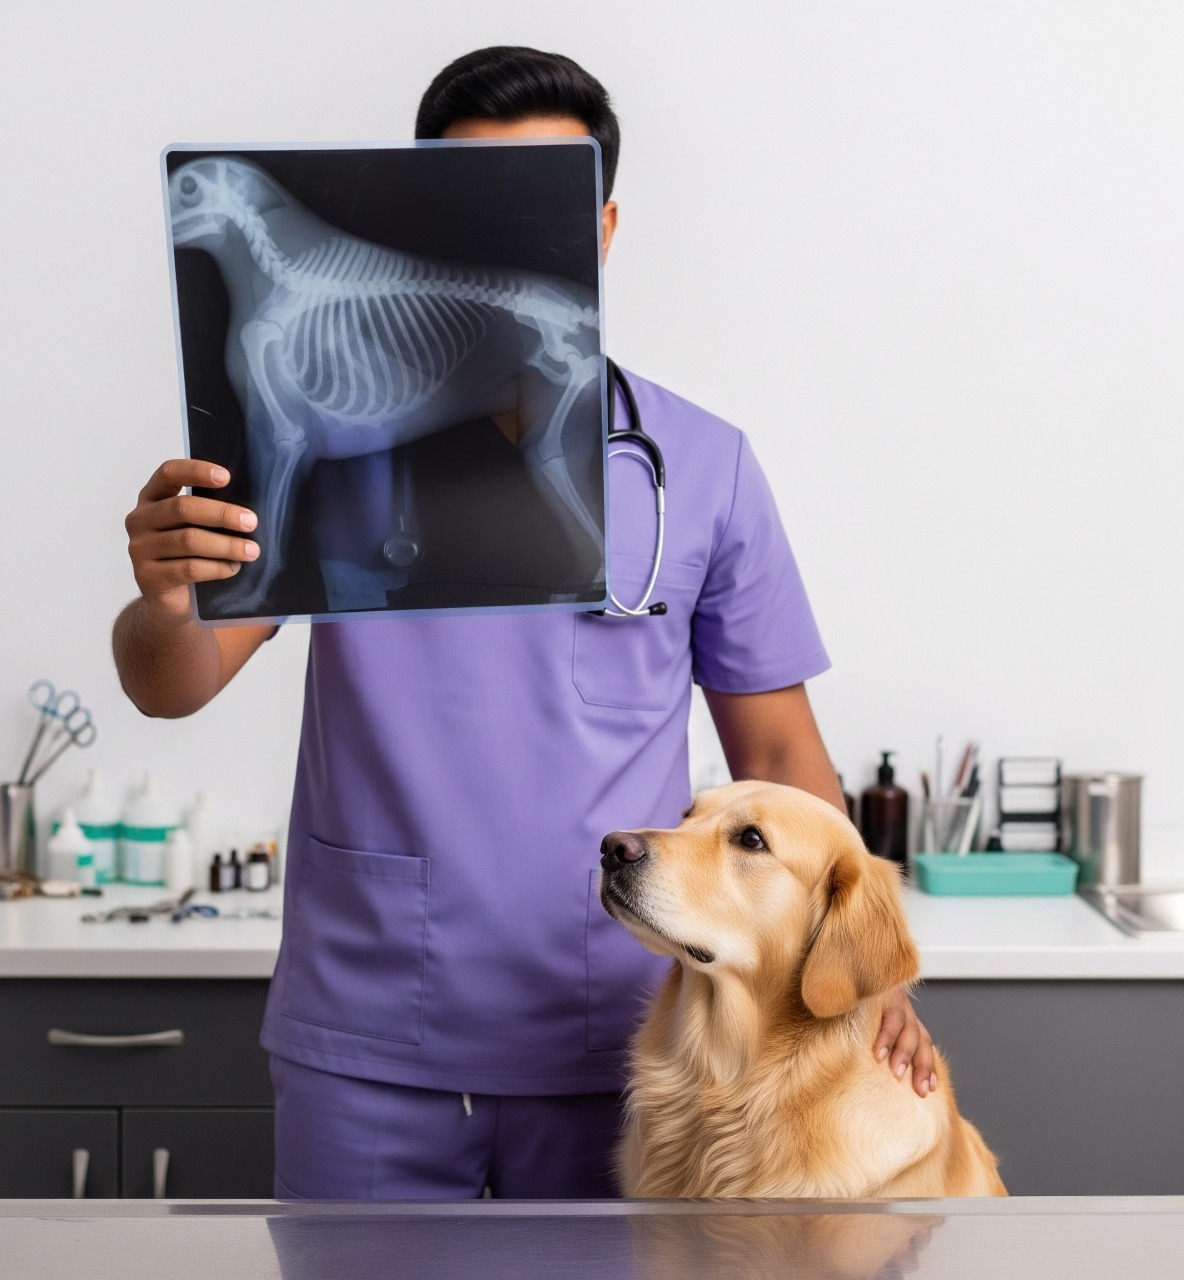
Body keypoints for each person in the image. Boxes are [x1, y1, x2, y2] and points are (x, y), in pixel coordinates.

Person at [115, 45, 935, 1200]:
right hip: (373, 1035)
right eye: (471, 201)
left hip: (629, 1040)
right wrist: (161, 598)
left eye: (536, 203)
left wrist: (864, 971)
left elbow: (780, 759)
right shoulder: (320, 442)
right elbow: (173, 679)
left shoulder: (702, 465)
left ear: (598, 229)